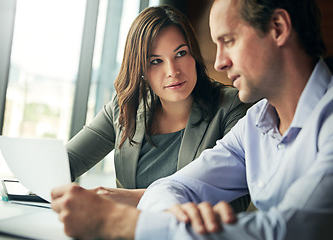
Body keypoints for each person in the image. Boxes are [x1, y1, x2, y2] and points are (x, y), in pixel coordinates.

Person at [51, 0, 333, 239]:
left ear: (278, 28)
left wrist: (122, 223)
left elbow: (286, 230)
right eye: (155, 61)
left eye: (229, 41)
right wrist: (174, 215)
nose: (220, 62)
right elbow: (171, 186)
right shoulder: (257, 123)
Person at [67, 5, 250, 208]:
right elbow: (66, 164)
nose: (172, 71)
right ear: (141, 69)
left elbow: (237, 198)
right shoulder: (124, 108)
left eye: (181, 54)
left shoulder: (231, 105)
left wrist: (138, 199)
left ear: (194, 55)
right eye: (156, 61)